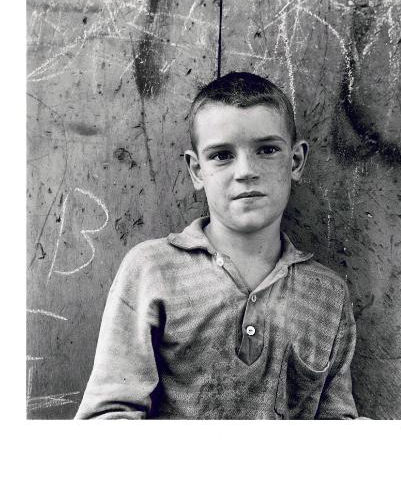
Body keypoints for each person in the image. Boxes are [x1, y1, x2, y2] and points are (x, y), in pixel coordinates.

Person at [75, 72, 358, 419]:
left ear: (295, 160)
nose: (245, 171)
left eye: (267, 150)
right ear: (196, 170)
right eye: (222, 155)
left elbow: (338, 428)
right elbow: (106, 419)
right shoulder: (153, 270)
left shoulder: (327, 295)